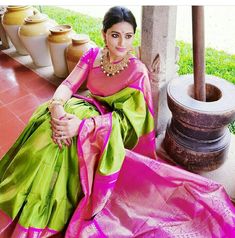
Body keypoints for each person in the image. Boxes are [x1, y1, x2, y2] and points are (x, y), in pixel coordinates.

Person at [0, 6, 234, 238]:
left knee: (58, 148)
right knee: (44, 135)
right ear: (104, 34)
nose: (122, 43)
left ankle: (40, 208)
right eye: (115, 35)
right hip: (78, 111)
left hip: (105, 131)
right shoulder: (92, 56)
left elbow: (131, 125)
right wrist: (57, 108)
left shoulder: (137, 71)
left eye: (128, 36)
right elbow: (68, 85)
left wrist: (82, 127)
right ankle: (23, 193)